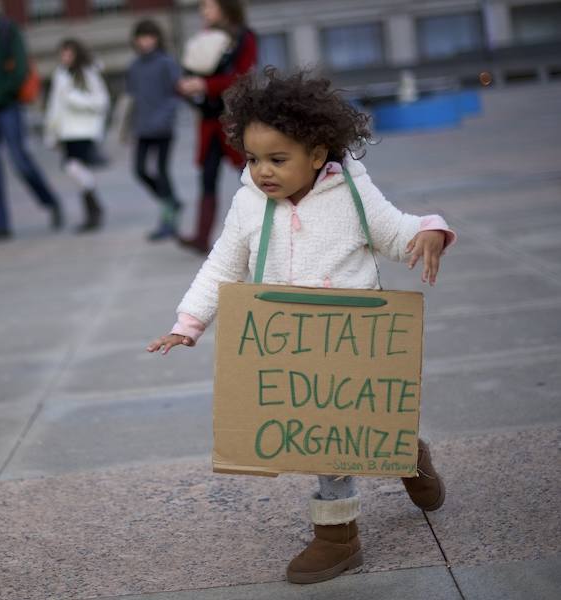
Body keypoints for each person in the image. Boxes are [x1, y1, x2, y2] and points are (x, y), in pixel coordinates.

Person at [147, 69, 456, 584]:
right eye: (252, 159)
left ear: (317, 153)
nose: (262, 171)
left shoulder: (352, 193)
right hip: (291, 348)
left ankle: (372, 495)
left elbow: (396, 232)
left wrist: (430, 231)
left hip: (353, 344)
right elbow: (223, 265)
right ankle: (366, 499)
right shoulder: (249, 203)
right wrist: (189, 323)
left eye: (277, 159)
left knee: (353, 430)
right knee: (325, 440)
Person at [0, 0, 63, 243]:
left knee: (20, 161)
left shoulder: (8, 30)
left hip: (8, 107)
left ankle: (51, 202)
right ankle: (0, 225)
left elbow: (20, 71)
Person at [178, 0, 257, 254]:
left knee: (252, 176)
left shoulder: (245, 37)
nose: (204, 12)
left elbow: (242, 77)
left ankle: (268, 226)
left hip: (233, 119)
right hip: (210, 121)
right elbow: (192, 69)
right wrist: (188, 87)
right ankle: (202, 237)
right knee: (208, 177)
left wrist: (205, 85)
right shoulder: (206, 36)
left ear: (225, 7)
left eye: (208, 7)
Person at [44, 39, 110, 233]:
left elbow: (101, 102)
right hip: (66, 131)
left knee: (72, 167)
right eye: (62, 54)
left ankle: (93, 210)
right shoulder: (60, 75)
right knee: (74, 170)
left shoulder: (89, 73)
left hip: (84, 130)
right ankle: (93, 210)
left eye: (69, 54)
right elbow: (54, 106)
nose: (65, 58)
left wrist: (74, 99)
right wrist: (51, 132)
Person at [125, 20, 182, 241]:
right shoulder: (134, 67)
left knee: (162, 172)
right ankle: (172, 202)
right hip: (142, 129)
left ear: (157, 38)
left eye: (149, 36)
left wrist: (164, 117)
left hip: (163, 128)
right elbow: (132, 99)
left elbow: (176, 94)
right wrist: (129, 127)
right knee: (139, 171)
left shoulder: (166, 63)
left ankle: (168, 221)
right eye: (141, 37)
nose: (145, 41)